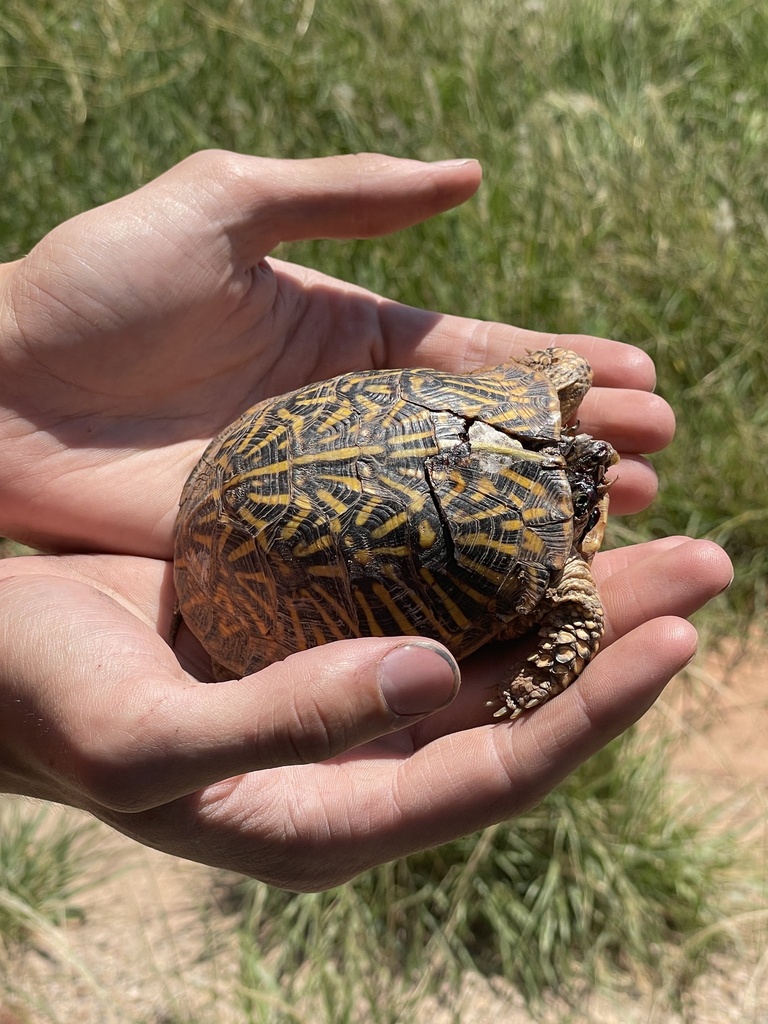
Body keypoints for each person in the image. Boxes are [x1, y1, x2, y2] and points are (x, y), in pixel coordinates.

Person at [0, 151, 732, 892]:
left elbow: (560, 371)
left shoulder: (538, 411)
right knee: (581, 621)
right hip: (253, 525)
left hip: (245, 456)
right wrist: (532, 682)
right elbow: (573, 587)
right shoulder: (564, 577)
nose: (596, 459)